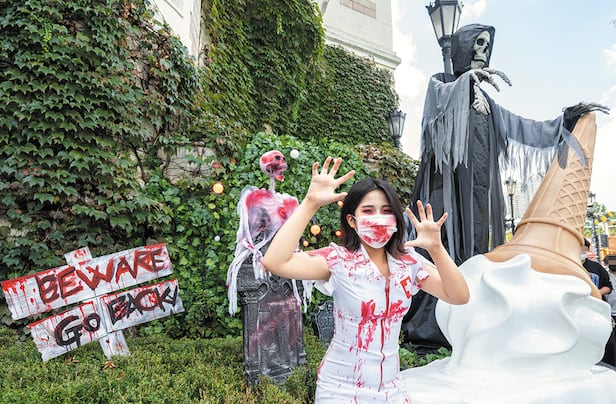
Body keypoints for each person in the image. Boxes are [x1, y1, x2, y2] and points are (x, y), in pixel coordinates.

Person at [262, 157, 470, 402]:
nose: (378, 217)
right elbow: (275, 262)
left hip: (391, 389)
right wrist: (310, 203)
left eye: (386, 211)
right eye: (368, 211)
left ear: (396, 220)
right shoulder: (339, 261)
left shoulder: (408, 263)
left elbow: (459, 296)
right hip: (340, 389)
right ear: (352, 220)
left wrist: (436, 248)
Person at [581, 239, 615, 366]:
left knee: (607, 342)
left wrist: (596, 293)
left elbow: (608, 286)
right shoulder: (567, 266)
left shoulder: (596, 267)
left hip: (598, 310)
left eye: (583, 249)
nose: (581, 251)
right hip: (579, 312)